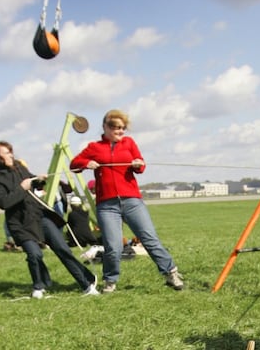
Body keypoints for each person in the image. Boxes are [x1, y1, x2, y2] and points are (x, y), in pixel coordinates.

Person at [70, 109, 184, 293]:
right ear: (105, 127)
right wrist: (85, 164)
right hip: (107, 205)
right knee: (113, 246)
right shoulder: (94, 147)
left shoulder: (129, 143)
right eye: (115, 127)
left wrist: (139, 163)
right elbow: (74, 164)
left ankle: (171, 273)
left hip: (132, 201)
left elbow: (140, 165)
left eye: (122, 128)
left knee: (149, 238)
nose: (120, 131)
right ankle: (110, 281)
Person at [0, 140, 99, 298]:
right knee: (35, 255)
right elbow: (4, 202)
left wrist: (39, 179)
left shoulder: (20, 167)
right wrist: (22, 188)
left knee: (63, 249)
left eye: (10, 151)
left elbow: (32, 180)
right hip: (20, 223)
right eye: (6, 153)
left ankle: (86, 284)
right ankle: (39, 286)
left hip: (39, 216)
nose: (10, 155)